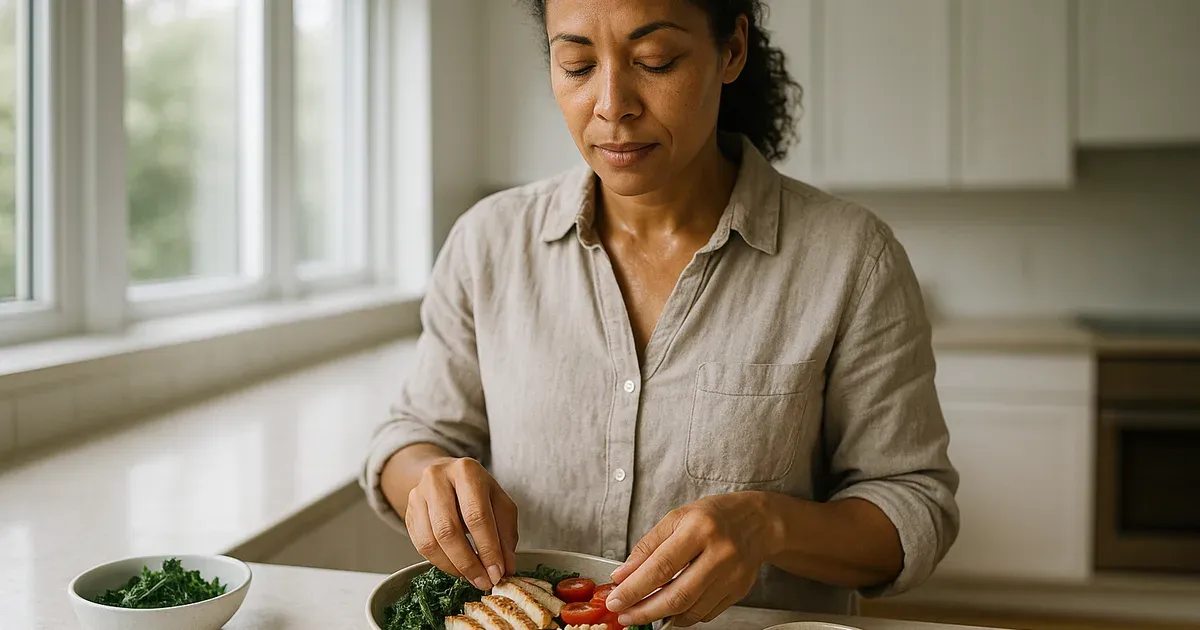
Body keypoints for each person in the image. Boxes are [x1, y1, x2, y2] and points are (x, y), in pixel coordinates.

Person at [360, 0, 959, 626]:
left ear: (730, 51)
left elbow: (914, 507)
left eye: (655, 60)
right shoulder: (488, 242)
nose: (612, 104)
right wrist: (429, 478)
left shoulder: (851, 259)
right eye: (577, 65)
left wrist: (767, 524)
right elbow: (409, 439)